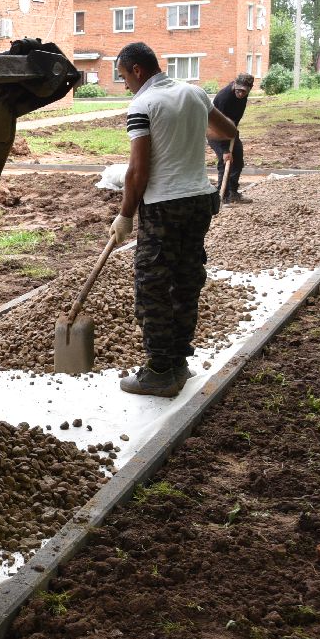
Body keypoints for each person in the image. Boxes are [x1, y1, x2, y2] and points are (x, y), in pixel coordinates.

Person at [112, 42, 240, 398]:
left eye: (123, 76)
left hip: (164, 205)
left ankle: (159, 371)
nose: (124, 84)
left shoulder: (143, 104)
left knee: (152, 286)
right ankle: (180, 361)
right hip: (200, 200)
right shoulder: (195, 93)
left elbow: (138, 169)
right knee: (185, 279)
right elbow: (228, 130)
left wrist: (125, 215)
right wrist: (189, 132)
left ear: (138, 70)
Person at [209, 72, 253, 204]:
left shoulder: (243, 96)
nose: (240, 94)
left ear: (250, 89)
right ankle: (222, 196)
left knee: (238, 159)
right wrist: (226, 150)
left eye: (244, 92)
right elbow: (219, 125)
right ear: (234, 84)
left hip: (230, 130)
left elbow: (236, 117)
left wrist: (233, 132)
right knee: (225, 161)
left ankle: (233, 193)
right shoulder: (224, 97)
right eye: (238, 90)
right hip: (215, 131)